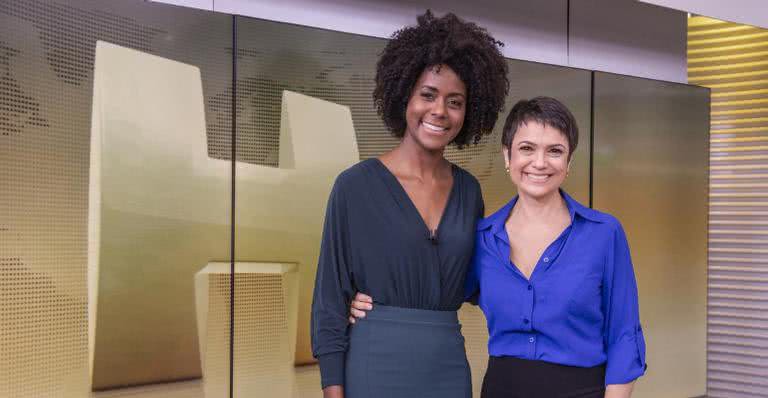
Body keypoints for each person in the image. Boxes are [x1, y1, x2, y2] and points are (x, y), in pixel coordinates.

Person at [350, 97, 646, 398]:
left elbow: (624, 335)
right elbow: (434, 292)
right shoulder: (480, 238)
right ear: (508, 156)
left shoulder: (604, 234)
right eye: (526, 148)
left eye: (554, 151)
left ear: (568, 162)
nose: (540, 163)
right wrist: (371, 300)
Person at [310, 10, 509, 398]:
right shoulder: (355, 186)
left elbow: (478, 282)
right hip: (373, 364)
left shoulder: (468, 192)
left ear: (469, 113)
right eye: (428, 95)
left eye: (455, 101)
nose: (440, 111)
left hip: (447, 368)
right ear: (405, 96)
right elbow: (329, 300)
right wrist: (333, 388)